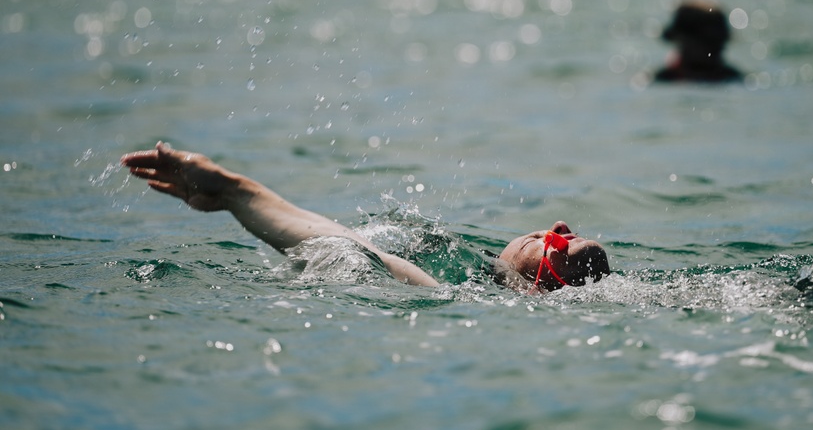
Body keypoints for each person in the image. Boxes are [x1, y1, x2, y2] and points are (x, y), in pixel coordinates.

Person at [121, 142, 611, 293]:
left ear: (535, 280)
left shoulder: (452, 292)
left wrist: (234, 193)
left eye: (558, 241)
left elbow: (353, 249)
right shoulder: (481, 278)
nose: (560, 226)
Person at [653, 0, 742, 83]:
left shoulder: (734, 78)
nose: (712, 48)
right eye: (707, 40)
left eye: (715, 41)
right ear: (680, 38)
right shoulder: (663, 79)